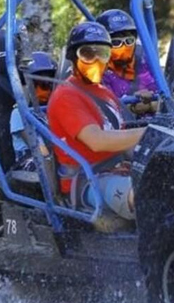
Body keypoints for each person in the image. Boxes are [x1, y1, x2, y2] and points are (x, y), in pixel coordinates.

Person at [47, 22, 146, 220]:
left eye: (103, 53)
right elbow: (97, 141)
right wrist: (150, 132)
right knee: (147, 195)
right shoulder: (66, 95)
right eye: (88, 53)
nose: (96, 60)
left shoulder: (104, 92)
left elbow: (123, 142)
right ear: (74, 56)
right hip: (87, 179)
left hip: (118, 168)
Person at [96, 9, 158, 115]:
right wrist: (132, 108)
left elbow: (166, 98)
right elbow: (104, 110)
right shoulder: (97, 72)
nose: (124, 47)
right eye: (116, 42)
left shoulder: (144, 62)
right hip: (121, 128)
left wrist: (151, 105)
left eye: (129, 41)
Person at [9, 51, 56, 170]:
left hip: (51, 156)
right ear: (29, 86)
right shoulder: (19, 113)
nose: (48, 90)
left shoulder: (53, 108)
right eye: (43, 84)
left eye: (51, 83)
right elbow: (38, 148)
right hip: (31, 161)